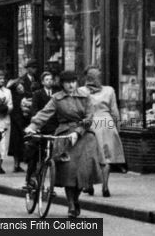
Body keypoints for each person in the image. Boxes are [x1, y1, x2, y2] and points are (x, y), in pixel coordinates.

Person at [25, 69, 102, 219]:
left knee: (83, 171)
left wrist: (78, 131)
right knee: (68, 170)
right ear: (62, 84)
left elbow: (89, 117)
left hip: (84, 135)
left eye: (73, 82)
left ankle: (75, 199)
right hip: (65, 134)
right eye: (67, 83)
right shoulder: (56, 98)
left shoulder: (85, 97)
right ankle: (71, 205)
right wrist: (32, 127)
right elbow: (44, 113)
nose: (71, 85)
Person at [79, 66, 125, 197]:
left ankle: (89, 186)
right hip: (107, 123)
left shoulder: (81, 91)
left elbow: (79, 111)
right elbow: (115, 111)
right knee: (107, 156)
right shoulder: (109, 90)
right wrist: (117, 127)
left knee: (90, 156)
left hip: (91, 123)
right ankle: (105, 186)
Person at [8, 78, 29, 173]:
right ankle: (16, 164)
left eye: (22, 87)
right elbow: (15, 112)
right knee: (16, 144)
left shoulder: (25, 96)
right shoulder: (15, 98)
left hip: (24, 122)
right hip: (17, 124)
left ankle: (19, 164)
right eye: (19, 88)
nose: (21, 89)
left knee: (22, 144)